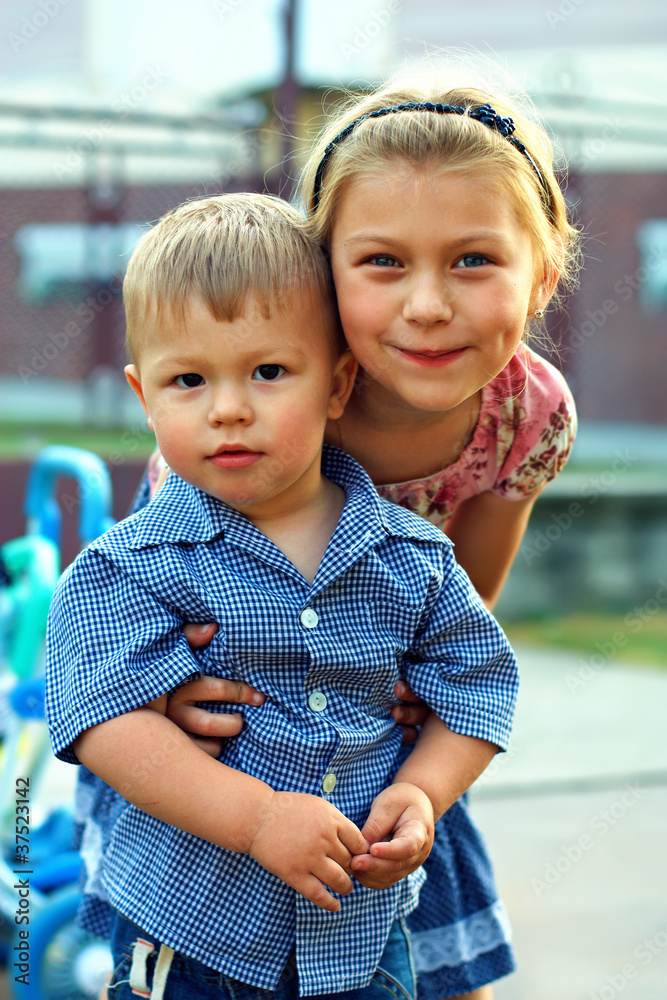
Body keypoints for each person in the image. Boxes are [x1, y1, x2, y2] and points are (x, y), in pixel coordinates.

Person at [71, 67, 581, 1000]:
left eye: (473, 260)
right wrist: (164, 699)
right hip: (229, 759)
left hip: (373, 745)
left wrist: (421, 742)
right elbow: (145, 617)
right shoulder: (262, 403)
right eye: (382, 262)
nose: (426, 304)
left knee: (433, 964)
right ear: (323, 271)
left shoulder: (525, 412)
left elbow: (468, 602)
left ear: (540, 273)